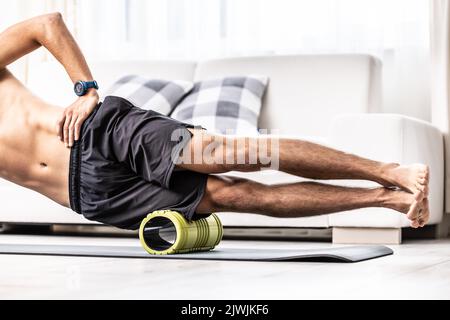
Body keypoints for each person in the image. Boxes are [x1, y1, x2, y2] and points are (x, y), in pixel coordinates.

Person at [0, 13, 429, 230]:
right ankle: (386, 199)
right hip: (93, 197)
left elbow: (46, 24)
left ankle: (392, 172)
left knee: (230, 154)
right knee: (239, 198)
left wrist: (85, 89)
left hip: (98, 135)